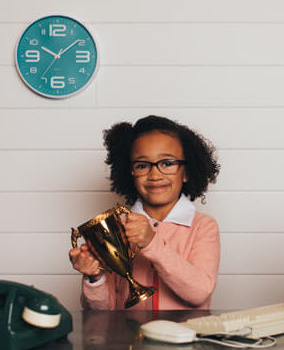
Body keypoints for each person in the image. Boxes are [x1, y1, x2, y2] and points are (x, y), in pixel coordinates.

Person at [69, 115, 221, 310]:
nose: (155, 174)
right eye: (142, 165)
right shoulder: (117, 227)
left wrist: (152, 243)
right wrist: (95, 278)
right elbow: (103, 313)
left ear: (187, 172)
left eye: (167, 163)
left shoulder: (203, 226)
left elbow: (199, 293)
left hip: (186, 338)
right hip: (128, 339)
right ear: (129, 172)